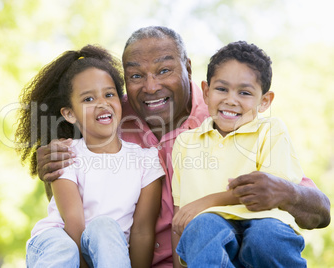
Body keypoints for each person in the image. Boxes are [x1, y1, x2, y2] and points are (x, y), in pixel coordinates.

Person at [34, 26, 331, 268]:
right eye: (136, 76)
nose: (150, 86)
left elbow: (320, 211)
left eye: (164, 70)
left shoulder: (228, 117)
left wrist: (288, 192)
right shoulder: (110, 117)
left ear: (187, 68)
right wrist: (50, 159)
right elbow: (70, 197)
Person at [15, 44, 164, 268]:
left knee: (105, 227)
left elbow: (142, 231)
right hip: (59, 239)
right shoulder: (64, 153)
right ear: (70, 114)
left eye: (109, 94)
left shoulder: (147, 160)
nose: (102, 103)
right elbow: (73, 222)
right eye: (88, 99)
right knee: (64, 247)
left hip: (108, 249)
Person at [172, 41, 308, 267]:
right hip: (209, 230)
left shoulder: (271, 130)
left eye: (244, 92)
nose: (230, 100)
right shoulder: (186, 142)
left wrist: (207, 202)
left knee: (265, 236)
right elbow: (181, 215)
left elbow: (264, 187)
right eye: (221, 89)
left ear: (264, 101)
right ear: (206, 92)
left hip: (264, 222)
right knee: (204, 225)